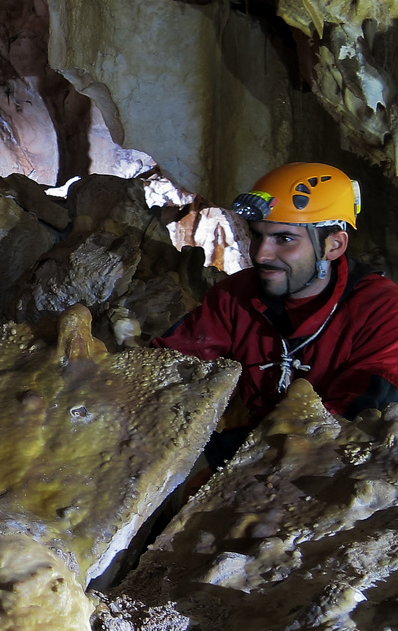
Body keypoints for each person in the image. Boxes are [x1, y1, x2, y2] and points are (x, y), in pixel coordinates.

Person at [155, 163, 398, 463]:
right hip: (251, 452)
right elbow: (165, 369)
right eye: (257, 235)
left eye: (284, 239)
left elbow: (350, 430)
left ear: (333, 246)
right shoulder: (236, 296)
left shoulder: (383, 311)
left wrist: (215, 458)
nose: (260, 254)